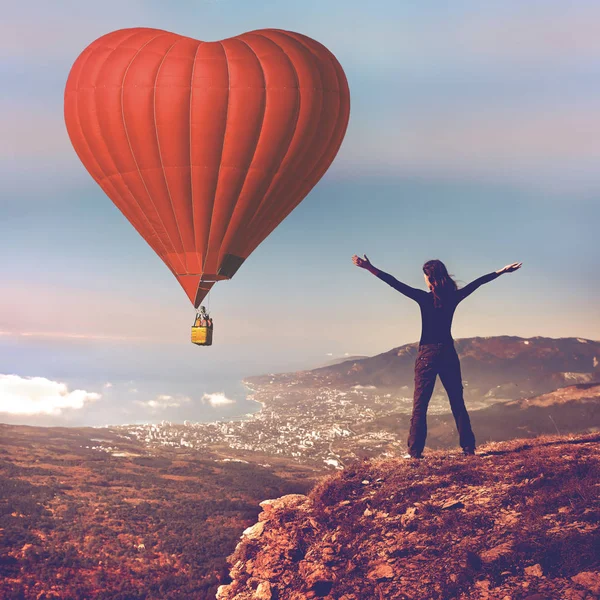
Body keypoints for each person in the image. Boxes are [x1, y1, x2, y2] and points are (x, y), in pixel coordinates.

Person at [352, 255, 522, 459]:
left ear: (429, 278)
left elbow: (394, 283)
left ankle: (415, 453)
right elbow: (478, 282)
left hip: (428, 355)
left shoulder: (424, 299)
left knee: (420, 406)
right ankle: (468, 449)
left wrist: (369, 267)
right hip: (448, 353)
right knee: (457, 402)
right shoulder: (453, 297)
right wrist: (502, 271)